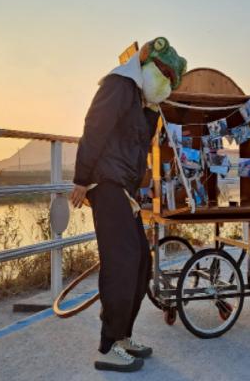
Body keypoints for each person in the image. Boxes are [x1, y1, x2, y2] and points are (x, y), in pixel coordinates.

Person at [70, 37, 187, 372]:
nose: (165, 84)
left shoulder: (139, 100)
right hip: (106, 185)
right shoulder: (119, 85)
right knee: (121, 263)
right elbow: (94, 128)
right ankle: (108, 346)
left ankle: (123, 335)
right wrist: (81, 179)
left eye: (170, 81)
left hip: (124, 191)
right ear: (145, 64)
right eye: (163, 75)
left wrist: (151, 110)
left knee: (140, 263)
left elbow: (138, 147)